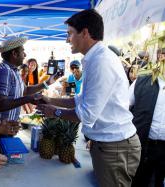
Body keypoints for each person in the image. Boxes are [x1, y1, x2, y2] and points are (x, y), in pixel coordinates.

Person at [36, 9, 141, 187]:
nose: (67, 39)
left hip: (115, 147)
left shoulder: (101, 62)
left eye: (70, 34)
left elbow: (85, 114)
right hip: (108, 144)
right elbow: (79, 100)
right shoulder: (95, 59)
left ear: (85, 33)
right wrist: (50, 100)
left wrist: (54, 112)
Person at [0, 37, 56, 121]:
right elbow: (0, 104)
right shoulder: (4, 71)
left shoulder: (14, 70)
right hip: (1, 129)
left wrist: (48, 82)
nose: (25, 55)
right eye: (22, 51)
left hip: (9, 128)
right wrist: (29, 98)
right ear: (14, 53)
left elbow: (25, 91)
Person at [130, 48, 165, 187]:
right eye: (162, 52)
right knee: (140, 181)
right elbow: (124, 106)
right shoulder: (142, 79)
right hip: (143, 146)